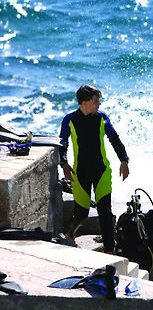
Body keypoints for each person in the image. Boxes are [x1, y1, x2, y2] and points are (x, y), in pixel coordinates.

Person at [59, 84, 129, 253]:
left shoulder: (102, 118)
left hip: (102, 171)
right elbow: (63, 144)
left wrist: (124, 160)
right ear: (85, 102)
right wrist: (64, 164)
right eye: (96, 101)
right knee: (81, 213)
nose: (99, 104)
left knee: (104, 210)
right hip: (80, 172)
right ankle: (69, 235)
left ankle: (109, 249)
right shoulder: (69, 120)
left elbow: (114, 139)